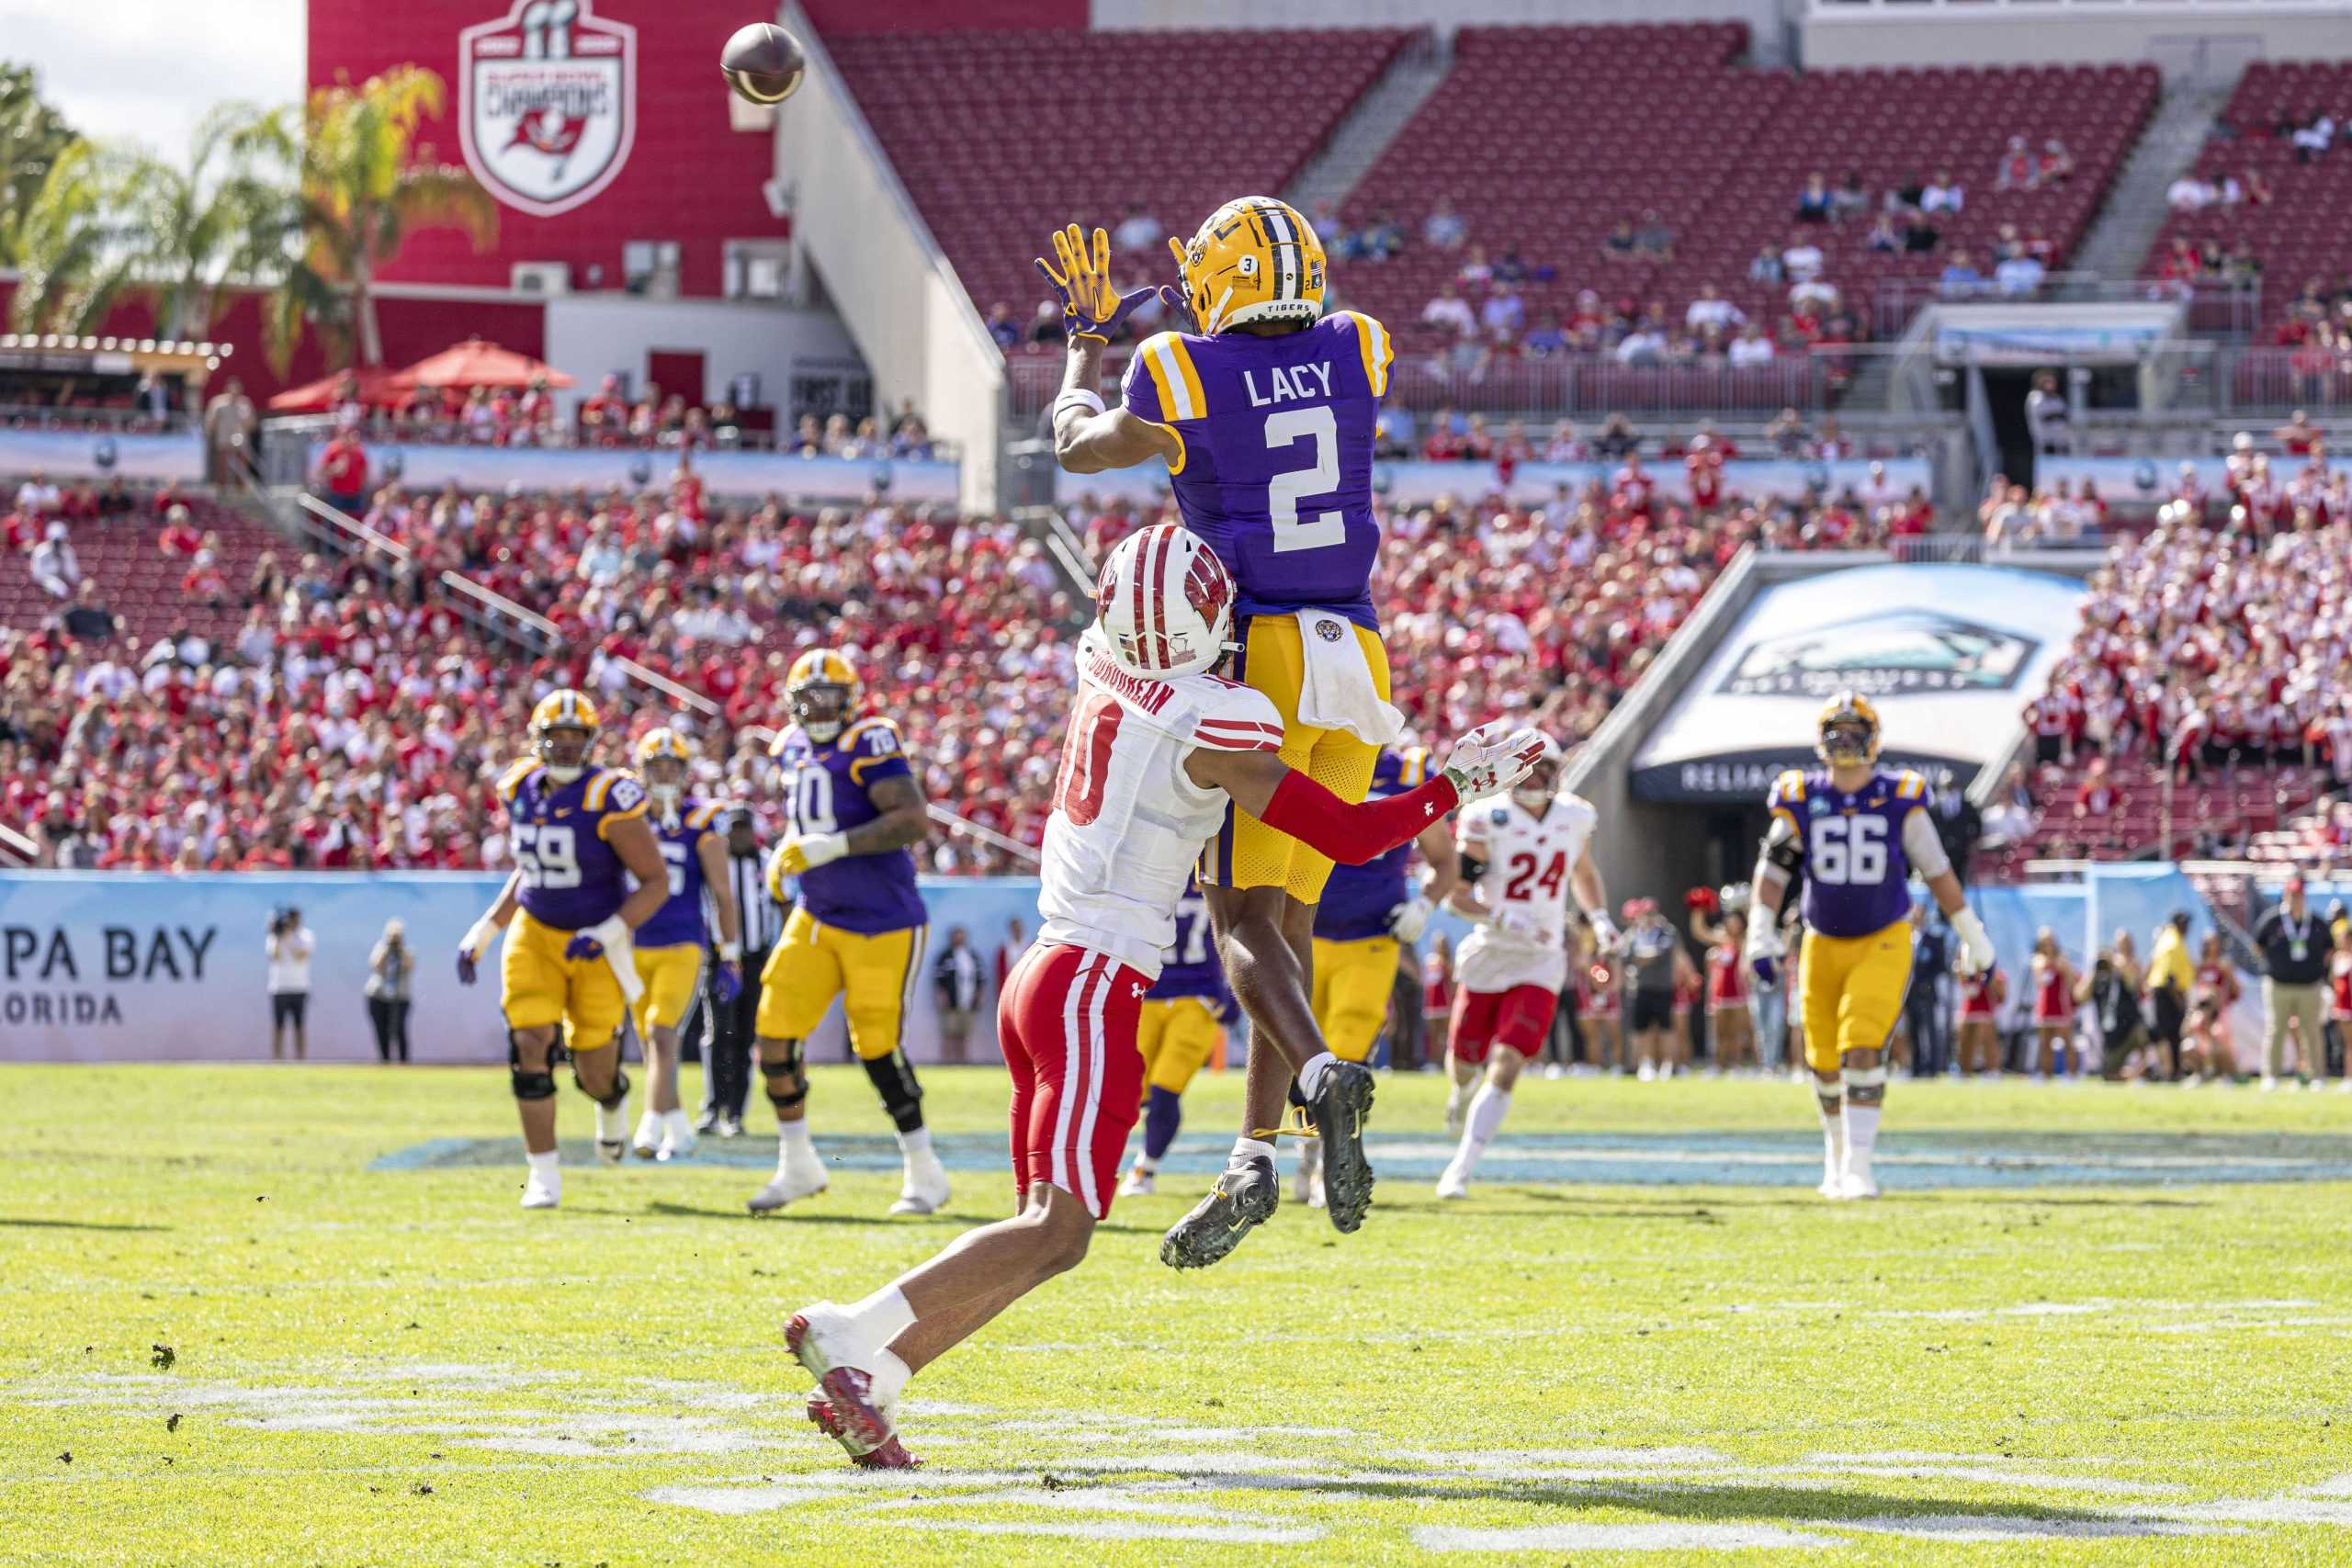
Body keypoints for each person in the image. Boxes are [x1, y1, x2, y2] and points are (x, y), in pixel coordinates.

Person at [780, 525, 1542, 1469]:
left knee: (1053, 1234)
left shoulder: (1097, 658)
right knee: (1057, 1226)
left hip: (1047, 968)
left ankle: (880, 1383)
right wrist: (1450, 785)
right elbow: (1346, 836)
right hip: (1094, 980)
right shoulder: (1216, 717)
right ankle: (851, 1329)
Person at [1037, 209, 1403, 1262]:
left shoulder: (1176, 370)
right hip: (1360, 656)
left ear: (1222, 280)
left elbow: (1075, 445)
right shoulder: (1358, 344)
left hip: (1262, 659)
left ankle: (1321, 1076)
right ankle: (1254, 1152)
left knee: (1240, 916)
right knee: (1288, 921)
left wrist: (1082, 344)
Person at [1747, 694, 1996, 1200]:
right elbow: (1772, 873)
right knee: (1820, 1057)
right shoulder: (1800, 795)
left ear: (1873, 740)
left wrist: (1974, 936)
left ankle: (1859, 1164)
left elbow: (1938, 870)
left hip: (1884, 935)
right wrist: (1759, 932)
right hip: (1820, 937)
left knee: (1861, 1043)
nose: (1843, 741)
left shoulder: (1899, 795)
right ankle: (1834, 1155)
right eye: (1835, 732)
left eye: (1854, 732)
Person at [749, 649, 948, 1217]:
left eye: (830, 697)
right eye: (808, 698)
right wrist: (786, 851)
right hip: (817, 914)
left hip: (882, 920)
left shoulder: (871, 740)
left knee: (876, 1047)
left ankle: (924, 1171)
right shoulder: (788, 745)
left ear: (850, 699)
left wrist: (831, 846)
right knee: (773, 1033)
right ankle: (797, 1163)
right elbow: (805, 813)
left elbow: (912, 820)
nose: (818, 707)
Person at [454, 691, 672, 1208]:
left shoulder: (607, 797)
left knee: (593, 1071)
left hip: (595, 942)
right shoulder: (521, 787)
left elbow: (655, 882)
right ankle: (543, 1173)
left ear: (592, 743)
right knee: (530, 1042)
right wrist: (486, 930)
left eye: (577, 738)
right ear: (539, 740)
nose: (567, 747)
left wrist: (609, 932)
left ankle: (612, 1099)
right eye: (558, 737)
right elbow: (530, 871)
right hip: (535, 931)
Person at [1437, 737, 1609, 1195]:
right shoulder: (1485, 816)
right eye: (1527, 770)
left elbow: (1584, 873)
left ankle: (1463, 1166)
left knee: (1509, 1060)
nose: (1536, 779)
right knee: (1466, 1061)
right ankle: (1459, 1095)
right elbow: (1455, 894)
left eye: (1543, 769)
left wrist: (1600, 918)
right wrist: (1497, 913)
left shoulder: (1575, 816)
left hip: (1542, 957)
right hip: (1492, 951)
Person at [1301, 743, 1460, 1201]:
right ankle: (1290, 1149)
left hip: (1372, 933)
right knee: (1297, 1049)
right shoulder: (1308, 751)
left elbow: (1444, 858)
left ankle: (1330, 1157)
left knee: (1349, 1044)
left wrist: (1426, 903)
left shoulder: (1408, 769)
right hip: (1302, 926)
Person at [625, 729, 742, 1161]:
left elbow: (722, 892)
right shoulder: (627, 819)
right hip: (633, 944)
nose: (665, 774)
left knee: (661, 1033)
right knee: (650, 1041)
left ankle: (649, 1126)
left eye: (672, 766)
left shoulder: (700, 820)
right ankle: (679, 1128)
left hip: (682, 942)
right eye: (657, 766)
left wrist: (729, 953)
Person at [1119, 876, 1232, 1198]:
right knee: (1133, 1091)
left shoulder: (1216, 873)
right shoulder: (1147, 871)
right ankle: (1125, 1162)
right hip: (1146, 994)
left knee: (1166, 1087)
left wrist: (1233, 991)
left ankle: (1145, 1168)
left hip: (1197, 998)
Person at [704, 807, 780, 1136]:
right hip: (720, 960)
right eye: (733, 830)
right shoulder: (713, 863)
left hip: (754, 961)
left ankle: (735, 1113)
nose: (739, 836)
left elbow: (785, 904)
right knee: (719, 1035)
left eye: (743, 830)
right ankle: (712, 1107)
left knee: (745, 1038)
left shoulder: (766, 863)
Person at [2255, 874, 2329, 1089]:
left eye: (2299, 896)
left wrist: (2315, 969)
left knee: (2312, 1031)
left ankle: (2317, 1076)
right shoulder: (2272, 920)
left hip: (2309, 985)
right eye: (2292, 895)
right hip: (2279, 985)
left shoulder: (2315, 921)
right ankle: (2271, 1076)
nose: (2295, 899)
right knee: (2275, 1030)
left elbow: (2328, 947)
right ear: (2285, 895)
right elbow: (2258, 946)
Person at [1621, 900, 1692, 1081]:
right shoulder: (1633, 934)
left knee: (1666, 1028)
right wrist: (1642, 957)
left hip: (1662, 988)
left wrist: (1641, 957)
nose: (1648, 918)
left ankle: (1671, 1066)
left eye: (1651, 914)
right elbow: (1625, 956)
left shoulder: (1667, 931)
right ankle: (1637, 1065)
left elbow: (1661, 952)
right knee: (1639, 1029)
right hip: (1639, 988)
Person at [2144, 910, 2194, 1082]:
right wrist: (2180, 1001)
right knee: (2173, 1034)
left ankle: (2172, 1070)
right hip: (2168, 993)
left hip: (2163, 991)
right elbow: (2169, 978)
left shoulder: (2167, 939)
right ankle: (2173, 1071)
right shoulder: (2173, 942)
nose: (2188, 928)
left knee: (2170, 1034)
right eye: (2186, 924)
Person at [2184, 931, 2239, 1083]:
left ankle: (2225, 1075)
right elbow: (2194, 992)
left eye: (2214, 942)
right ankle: (2199, 1074)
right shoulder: (2199, 967)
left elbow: (2236, 991)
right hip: (2202, 1013)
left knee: (2219, 1040)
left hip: (2219, 1013)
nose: (2212, 946)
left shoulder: (2224, 965)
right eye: (2208, 943)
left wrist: (2227, 976)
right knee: (2191, 1043)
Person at [1706, 908, 1754, 1073]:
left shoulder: (1744, 941)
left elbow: (1753, 929)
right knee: (1720, 1033)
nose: (1733, 925)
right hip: (1720, 995)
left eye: (1736, 921)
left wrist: (1748, 907)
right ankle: (1719, 1065)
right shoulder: (1722, 941)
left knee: (1738, 1033)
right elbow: (1699, 931)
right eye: (1730, 921)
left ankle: (1738, 1065)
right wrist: (1697, 908)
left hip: (1738, 994)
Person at [266, 907, 315, 1061]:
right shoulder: (275, 936)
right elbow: (274, 956)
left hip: (299, 987)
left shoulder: (306, 935)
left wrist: (289, 937)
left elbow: (301, 955)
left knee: (299, 1026)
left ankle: (300, 1058)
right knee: (278, 1026)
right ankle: (277, 1059)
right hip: (279, 987)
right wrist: (279, 936)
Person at [932, 926, 986, 1065]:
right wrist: (942, 997)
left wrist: (979, 995)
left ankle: (964, 1061)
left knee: (964, 1033)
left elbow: (981, 978)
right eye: (956, 935)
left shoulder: (972, 955)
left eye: (961, 935)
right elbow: (939, 979)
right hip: (952, 1001)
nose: (959, 938)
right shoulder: (945, 956)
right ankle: (948, 1062)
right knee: (950, 1033)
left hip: (968, 1002)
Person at [2029, 929, 2078, 1077]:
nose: (2048, 944)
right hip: (2045, 1006)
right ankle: (2045, 1074)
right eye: (2045, 941)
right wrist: (2051, 963)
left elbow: (2071, 983)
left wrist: (2063, 967)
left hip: (2061, 1006)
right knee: (2045, 1043)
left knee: (2067, 1042)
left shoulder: (2063, 960)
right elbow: (2038, 978)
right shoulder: (2037, 960)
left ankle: (2072, 1074)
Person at [366, 918, 413, 1064]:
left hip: (400, 996)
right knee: (381, 1030)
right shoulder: (380, 948)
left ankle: (403, 1062)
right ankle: (385, 1061)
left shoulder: (407, 950)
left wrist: (400, 948)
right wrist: (387, 948)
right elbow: (376, 965)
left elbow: (408, 965)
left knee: (399, 1029)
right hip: (378, 996)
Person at [1957, 963, 2005, 1076]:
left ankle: (1993, 1070)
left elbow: (2000, 994)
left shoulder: (1990, 969)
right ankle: (1964, 1071)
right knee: (1965, 1041)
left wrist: (1986, 977)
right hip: (1968, 1008)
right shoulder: (1966, 965)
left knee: (1987, 1041)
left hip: (1985, 1008)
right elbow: (1963, 983)